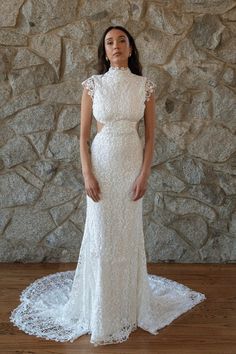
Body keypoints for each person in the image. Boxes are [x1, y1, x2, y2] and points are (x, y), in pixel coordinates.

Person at [9, 26, 206, 347]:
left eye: (122, 40)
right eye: (110, 42)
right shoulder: (92, 86)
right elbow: (83, 137)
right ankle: (100, 309)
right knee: (101, 235)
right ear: (104, 51)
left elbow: (152, 136)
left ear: (131, 48)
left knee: (126, 234)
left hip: (130, 165)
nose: (116, 46)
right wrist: (87, 174)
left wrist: (144, 174)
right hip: (101, 166)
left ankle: (127, 306)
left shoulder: (145, 86)